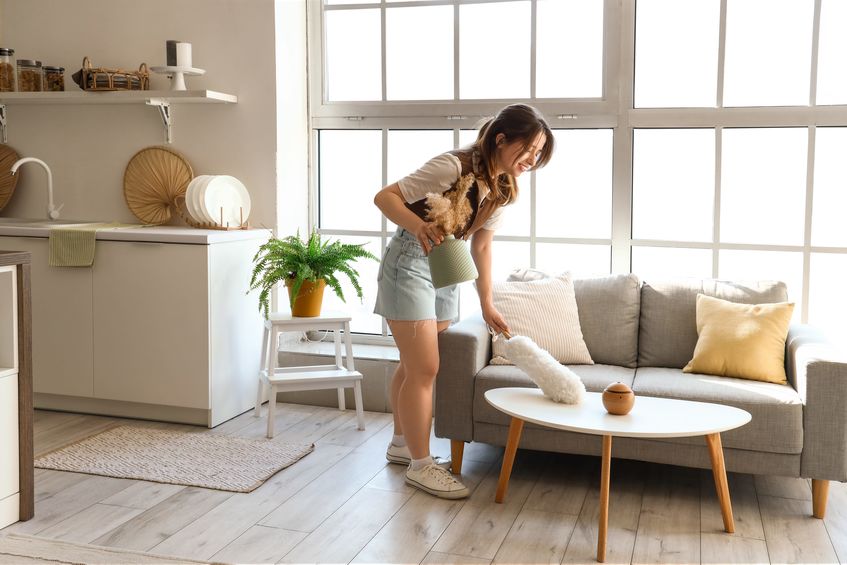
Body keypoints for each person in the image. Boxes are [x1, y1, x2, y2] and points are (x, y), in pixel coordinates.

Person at [372, 104, 554, 499]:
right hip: (411, 260)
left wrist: (487, 303)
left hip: (446, 262)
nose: (532, 158)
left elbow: (482, 247)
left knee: (413, 364)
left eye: (538, 152)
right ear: (502, 139)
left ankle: (402, 445)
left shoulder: (503, 188)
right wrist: (418, 224)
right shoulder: (452, 166)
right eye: (529, 148)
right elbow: (385, 197)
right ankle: (421, 466)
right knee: (426, 367)